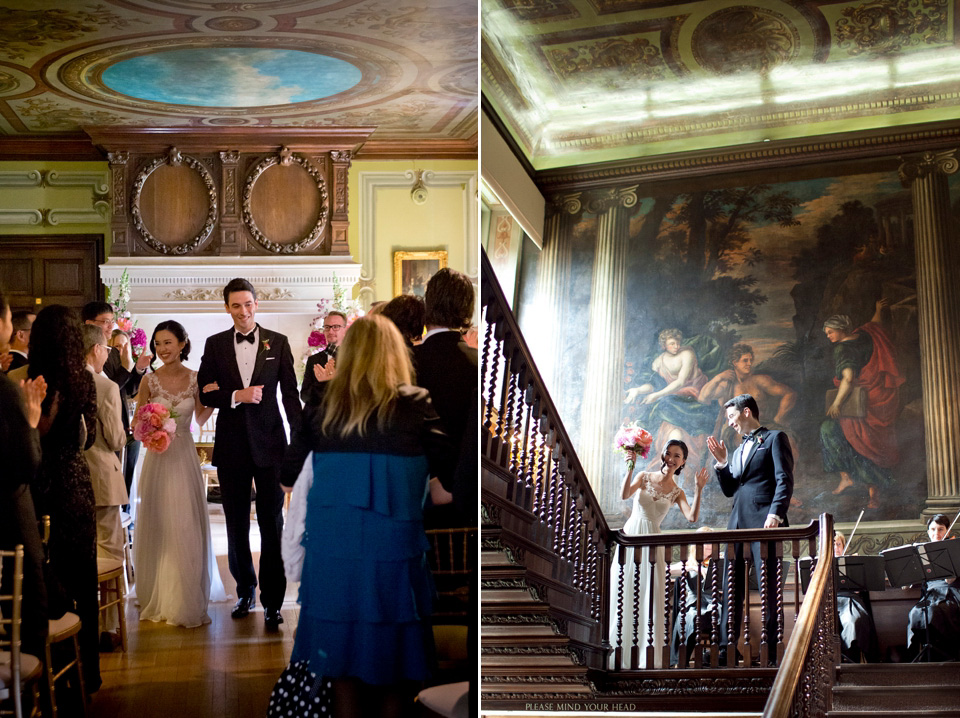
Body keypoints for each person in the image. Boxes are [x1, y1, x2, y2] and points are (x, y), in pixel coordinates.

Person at [284, 314, 455, 718]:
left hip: (332, 550)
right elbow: (449, 486)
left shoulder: (322, 405)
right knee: (393, 667)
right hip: (392, 550)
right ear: (395, 354)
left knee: (341, 667)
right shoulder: (416, 403)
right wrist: (406, 490)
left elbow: (287, 479)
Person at [197, 278, 301, 627]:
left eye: (248, 304)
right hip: (231, 447)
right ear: (226, 308)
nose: (243, 312)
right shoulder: (214, 345)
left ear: (257, 304)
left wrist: (298, 444)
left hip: (272, 446)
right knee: (236, 523)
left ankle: (273, 601)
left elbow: (290, 396)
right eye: (236, 306)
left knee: (273, 523)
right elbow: (206, 393)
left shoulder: (279, 342)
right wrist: (235, 396)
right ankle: (244, 591)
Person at [26, 304, 101, 691]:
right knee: (80, 575)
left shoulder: (25, 379)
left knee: (42, 573)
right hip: (73, 483)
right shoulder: (83, 381)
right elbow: (87, 439)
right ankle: (86, 671)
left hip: (37, 483)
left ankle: (44, 666)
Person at [133, 320, 227, 627]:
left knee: (184, 524)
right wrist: (151, 428)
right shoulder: (149, 381)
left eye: (168, 343)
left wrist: (213, 399)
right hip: (158, 460)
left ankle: (186, 596)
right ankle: (159, 593)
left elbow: (199, 417)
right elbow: (136, 425)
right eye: (158, 344)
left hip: (184, 458)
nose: (162, 349)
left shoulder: (195, 379)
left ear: (183, 344)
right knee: (161, 524)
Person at [706, 394, 794, 666]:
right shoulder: (736, 450)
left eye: (732, 417)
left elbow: (784, 479)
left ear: (746, 412)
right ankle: (725, 649)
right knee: (730, 588)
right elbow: (732, 488)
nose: (730, 423)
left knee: (769, 588)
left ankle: (769, 649)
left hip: (764, 522)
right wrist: (722, 463)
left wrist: (775, 515)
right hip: (736, 525)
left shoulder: (774, 438)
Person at [608, 439, 708, 669]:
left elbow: (691, 518)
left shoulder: (677, 491)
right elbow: (624, 495)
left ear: (682, 462)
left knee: (649, 597)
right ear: (663, 455)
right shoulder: (643, 476)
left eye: (677, 456)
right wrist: (630, 467)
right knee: (625, 592)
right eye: (669, 453)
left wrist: (699, 489)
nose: (672, 459)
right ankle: (617, 654)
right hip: (632, 535)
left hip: (654, 540)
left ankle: (645, 659)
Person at [0, 287, 48, 659]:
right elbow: (26, 466)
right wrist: (32, 421)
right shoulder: (8, 388)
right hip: (9, 513)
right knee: (27, 608)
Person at [820, 300, 904, 509]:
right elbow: (874, 325)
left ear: (841, 330)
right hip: (879, 399)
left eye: (830, 332)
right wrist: (877, 311)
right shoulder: (864, 334)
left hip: (859, 404)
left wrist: (837, 404)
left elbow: (848, 379)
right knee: (868, 442)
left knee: (848, 437)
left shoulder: (843, 350)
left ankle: (854, 482)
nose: (829, 337)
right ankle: (868, 491)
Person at [412, 268, 477, 526]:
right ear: (466, 310)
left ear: (429, 304)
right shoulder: (477, 364)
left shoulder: (408, 363)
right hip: (466, 495)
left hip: (416, 493)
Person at [80, 324, 128, 562]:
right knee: (108, 547)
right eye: (108, 349)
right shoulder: (105, 386)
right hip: (100, 477)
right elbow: (116, 439)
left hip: (66, 480)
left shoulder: (58, 381)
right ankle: (108, 598)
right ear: (96, 349)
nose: (109, 354)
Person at [906, 514, 960, 661]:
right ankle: (923, 653)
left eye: (941, 529)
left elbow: (951, 581)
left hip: (951, 593)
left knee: (934, 611)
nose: (937, 533)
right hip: (931, 595)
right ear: (928, 532)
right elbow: (914, 578)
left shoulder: (954, 549)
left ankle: (943, 654)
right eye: (933, 529)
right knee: (915, 613)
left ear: (947, 532)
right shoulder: (921, 553)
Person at [670, 527, 718, 668]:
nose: (709, 545)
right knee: (691, 618)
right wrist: (693, 568)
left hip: (712, 603)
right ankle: (682, 662)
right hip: (693, 605)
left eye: (711, 542)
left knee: (722, 614)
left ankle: (718, 657)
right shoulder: (689, 562)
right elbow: (668, 569)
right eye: (706, 542)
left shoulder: (716, 561)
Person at [833, 531, 878, 663]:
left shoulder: (852, 563)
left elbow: (865, 585)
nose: (836, 548)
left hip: (849, 601)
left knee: (854, 621)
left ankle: (850, 659)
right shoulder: (819, 564)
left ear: (843, 546)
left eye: (838, 544)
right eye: (833, 545)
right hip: (829, 602)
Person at [301, 310, 347, 404]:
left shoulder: (355, 358)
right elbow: (304, 396)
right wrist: (321, 383)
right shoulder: (313, 360)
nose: (330, 331)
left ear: (345, 330)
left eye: (336, 327)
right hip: (321, 417)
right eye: (327, 327)